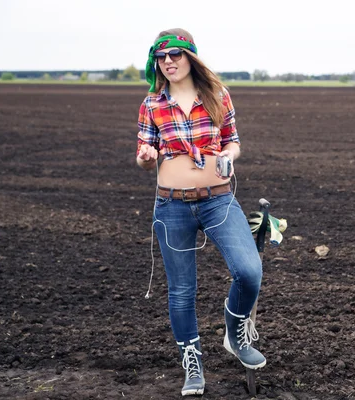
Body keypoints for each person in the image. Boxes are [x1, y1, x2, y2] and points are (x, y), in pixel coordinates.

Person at [135, 28, 265, 396]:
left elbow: (233, 141)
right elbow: (145, 154)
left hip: (217, 199)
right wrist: (146, 158)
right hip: (171, 205)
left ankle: (235, 335)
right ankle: (192, 363)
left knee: (249, 270)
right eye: (162, 57)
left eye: (176, 54)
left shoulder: (217, 95)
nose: (169, 61)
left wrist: (227, 155)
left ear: (191, 57)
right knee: (181, 291)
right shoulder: (152, 104)